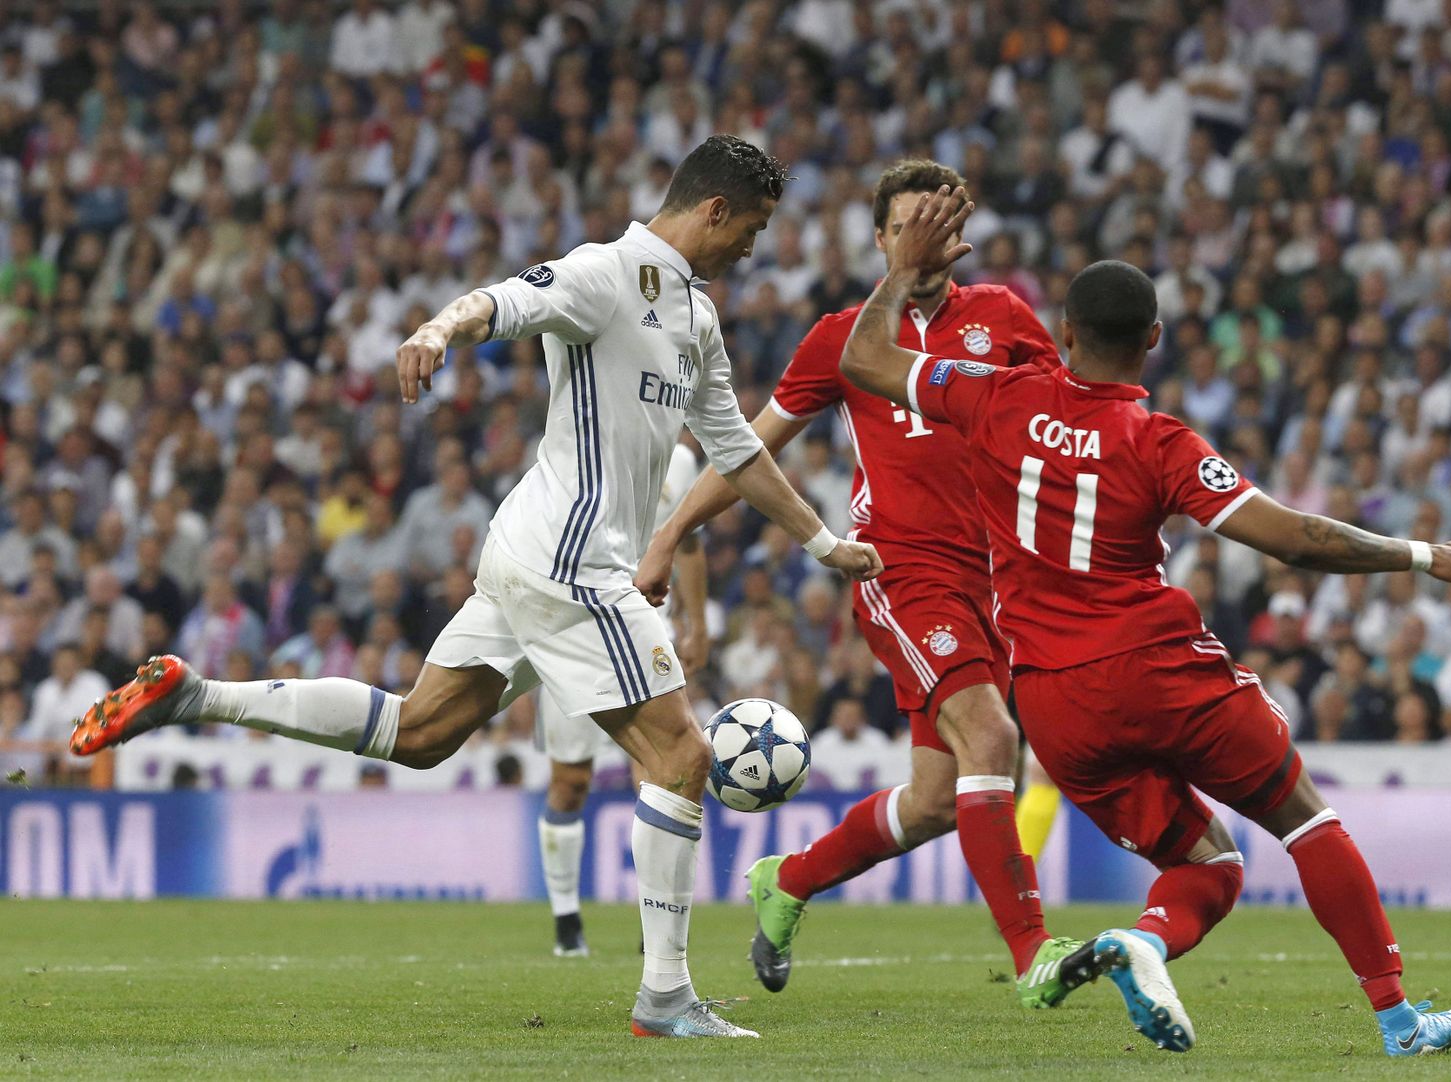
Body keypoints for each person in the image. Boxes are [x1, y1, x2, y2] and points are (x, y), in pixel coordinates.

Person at [68, 135, 883, 1040]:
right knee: (681, 758)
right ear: (715, 210)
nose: (753, 250)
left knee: (419, 734)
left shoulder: (696, 318)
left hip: (533, 554)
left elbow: (736, 448)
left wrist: (819, 541)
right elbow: (503, 300)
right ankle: (665, 1000)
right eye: (753, 228)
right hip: (572, 561)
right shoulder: (606, 273)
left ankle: (196, 694)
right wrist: (436, 328)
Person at [838, 187, 1451, 1056]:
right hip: (1160, 669)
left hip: (1053, 701)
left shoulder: (994, 396)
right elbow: (1300, 540)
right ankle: (1396, 1018)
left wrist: (900, 274)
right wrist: (1425, 555)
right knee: (1304, 820)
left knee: (1208, 866)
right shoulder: (1160, 442)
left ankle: (1144, 940)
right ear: (1153, 339)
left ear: (1067, 334)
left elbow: (863, 360)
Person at [638, 159, 1084, 1007]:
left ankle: (790, 881)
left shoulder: (1004, 318)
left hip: (997, 580)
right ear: (881, 240)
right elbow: (749, 449)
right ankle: (1034, 956)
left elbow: (1064, 423)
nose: (924, 236)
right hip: (902, 571)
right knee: (992, 743)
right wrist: (670, 534)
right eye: (907, 223)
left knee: (935, 801)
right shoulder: (842, 336)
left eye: (938, 221)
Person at [537, 439, 708, 959]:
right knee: (570, 782)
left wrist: (697, 621)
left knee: (660, 771)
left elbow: (691, 544)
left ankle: (653, 923)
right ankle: (566, 920)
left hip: (642, 626)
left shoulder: (679, 460)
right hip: (572, 628)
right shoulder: (571, 445)